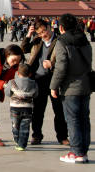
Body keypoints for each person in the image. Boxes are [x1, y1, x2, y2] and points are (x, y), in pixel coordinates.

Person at [51, 13, 92, 164]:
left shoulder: (62, 41)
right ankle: (83, 151)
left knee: (73, 120)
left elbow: (61, 67)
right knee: (84, 119)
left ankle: (75, 152)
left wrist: (53, 86)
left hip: (70, 87)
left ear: (60, 27)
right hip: (86, 85)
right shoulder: (84, 39)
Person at [21, 20, 68, 145]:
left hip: (55, 80)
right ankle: (36, 135)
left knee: (59, 110)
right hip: (38, 80)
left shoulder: (60, 41)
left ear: (49, 27)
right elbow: (23, 49)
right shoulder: (37, 41)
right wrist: (28, 35)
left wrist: (52, 64)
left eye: (44, 31)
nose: (43, 34)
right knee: (38, 110)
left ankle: (62, 136)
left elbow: (65, 60)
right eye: (40, 33)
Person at [5, 63, 38, 151]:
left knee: (15, 125)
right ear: (30, 74)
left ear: (18, 73)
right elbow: (36, 95)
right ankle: (22, 144)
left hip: (15, 108)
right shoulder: (34, 83)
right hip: (28, 108)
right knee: (25, 126)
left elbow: (8, 93)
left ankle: (17, 140)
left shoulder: (12, 82)